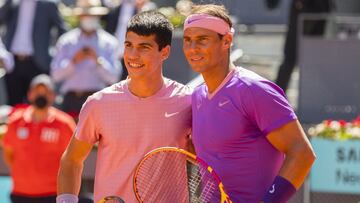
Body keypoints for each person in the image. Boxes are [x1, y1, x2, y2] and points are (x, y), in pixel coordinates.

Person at [183, 4, 316, 203]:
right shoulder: (197, 95)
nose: (193, 49)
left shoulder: (254, 89)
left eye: (202, 40)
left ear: (227, 41)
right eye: (188, 40)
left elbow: (302, 153)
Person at [56, 10, 192, 203]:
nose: (133, 55)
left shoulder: (189, 101)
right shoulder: (99, 103)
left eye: (144, 47)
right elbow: (71, 161)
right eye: (129, 45)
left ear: (165, 52)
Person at [1, 74, 75, 203]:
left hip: (53, 194)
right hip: (20, 193)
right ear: (29, 94)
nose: (41, 95)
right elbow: (9, 154)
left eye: (46, 92)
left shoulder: (65, 124)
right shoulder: (15, 121)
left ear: (53, 96)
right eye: (37, 91)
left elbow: (73, 159)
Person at [50, 0, 121, 118]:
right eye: (86, 15)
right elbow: (55, 75)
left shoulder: (109, 43)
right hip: (70, 100)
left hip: (97, 99)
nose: (89, 18)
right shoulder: (66, 41)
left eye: (92, 15)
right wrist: (73, 61)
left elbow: (114, 77)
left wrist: (98, 61)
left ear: (98, 17)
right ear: (80, 17)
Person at [0, 0, 67, 106]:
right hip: (13, 63)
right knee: (14, 105)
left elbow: (63, 31)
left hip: (38, 63)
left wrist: (55, 56)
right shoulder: (13, 3)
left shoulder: (48, 4)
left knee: (38, 104)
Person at [274, 0, 333, 92]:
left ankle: (319, 94)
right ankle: (276, 95)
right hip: (308, 8)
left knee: (315, 59)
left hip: (314, 9)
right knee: (291, 58)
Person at [102, 0, 157, 80]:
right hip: (115, 56)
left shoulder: (146, 7)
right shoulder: (114, 8)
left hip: (136, 56)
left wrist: (140, 9)